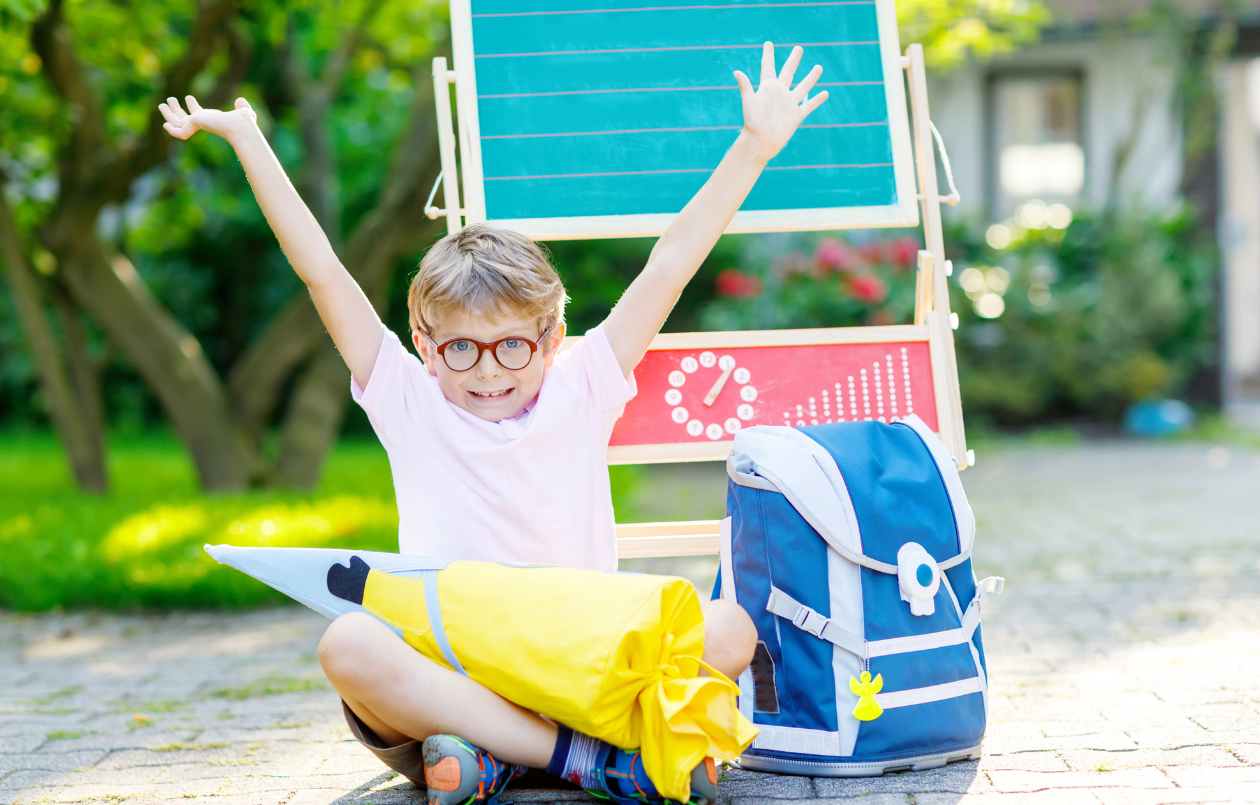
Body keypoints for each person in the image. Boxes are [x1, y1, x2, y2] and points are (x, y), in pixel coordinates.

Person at [161, 41, 828, 805]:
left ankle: (496, 759)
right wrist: (249, 139)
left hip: (584, 653)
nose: (486, 368)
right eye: (461, 347)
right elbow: (321, 271)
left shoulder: (587, 381)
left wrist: (753, 146)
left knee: (729, 631)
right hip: (458, 667)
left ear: (550, 336)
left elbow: (671, 261)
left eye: (512, 344)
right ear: (424, 343)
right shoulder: (405, 397)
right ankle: (589, 759)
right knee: (349, 644)